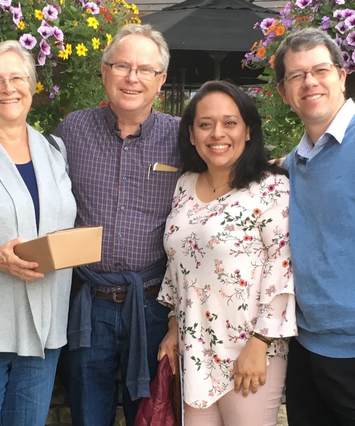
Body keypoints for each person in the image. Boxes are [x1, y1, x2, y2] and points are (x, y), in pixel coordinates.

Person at [55, 24, 180, 426]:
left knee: (151, 417)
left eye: (145, 69)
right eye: (122, 65)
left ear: (160, 80)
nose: (132, 77)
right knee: (88, 415)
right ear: (104, 71)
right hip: (88, 304)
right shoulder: (72, 131)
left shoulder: (182, 138)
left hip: (153, 307)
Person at [157, 80, 297, 426]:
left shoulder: (271, 186)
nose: (217, 133)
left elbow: (283, 267)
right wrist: (174, 326)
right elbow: (179, 263)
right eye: (205, 124)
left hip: (249, 352)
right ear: (191, 134)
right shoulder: (185, 185)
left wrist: (260, 343)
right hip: (195, 350)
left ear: (248, 130)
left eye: (230, 123)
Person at [274, 28, 355, 426]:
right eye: (296, 75)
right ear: (284, 93)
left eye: (320, 70)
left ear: (342, 76)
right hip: (306, 343)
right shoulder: (296, 162)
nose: (310, 82)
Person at [0, 40, 76, 426]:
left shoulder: (53, 148)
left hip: (44, 330)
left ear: (32, 86)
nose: (7, 87)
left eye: (16, 77)